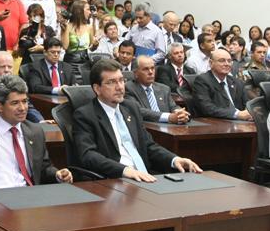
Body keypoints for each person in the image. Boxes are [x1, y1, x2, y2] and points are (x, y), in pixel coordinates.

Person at [72, 59, 202, 181]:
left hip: (145, 177)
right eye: (111, 82)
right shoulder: (85, 115)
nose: (119, 87)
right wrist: (124, 170)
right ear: (97, 88)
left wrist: (174, 159)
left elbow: (148, 145)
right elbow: (88, 155)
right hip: (114, 180)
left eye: (121, 80)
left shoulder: (131, 107)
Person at [126, 56, 190, 124]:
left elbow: (173, 106)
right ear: (135, 73)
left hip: (168, 129)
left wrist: (180, 113)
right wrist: (168, 117)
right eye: (145, 69)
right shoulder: (129, 88)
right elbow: (138, 110)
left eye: (152, 68)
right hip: (147, 128)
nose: (150, 72)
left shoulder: (164, 89)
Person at [191, 49, 251, 120]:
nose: (227, 64)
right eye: (222, 60)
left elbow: (247, 104)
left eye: (229, 61)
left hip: (242, 122)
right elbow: (207, 108)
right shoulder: (202, 81)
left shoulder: (237, 82)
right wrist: (237, 114)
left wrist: (250, 113)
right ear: (211, 63)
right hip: (217, 123)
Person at [59, 0, 96, 65]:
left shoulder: (89, 27)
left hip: (85, 62)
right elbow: (65, 46)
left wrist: (96, 44)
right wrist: (64, 29)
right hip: (70, 62)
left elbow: (92, 48)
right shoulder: (67, 26)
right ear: (79, 11)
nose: (90, 12)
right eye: (88, 9)